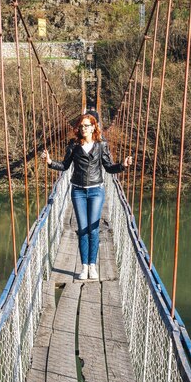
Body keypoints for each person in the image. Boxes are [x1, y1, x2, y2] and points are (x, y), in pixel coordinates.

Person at [41, 114, 132, 280]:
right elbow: (65, 165)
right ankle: (84, 267)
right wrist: (49, 162)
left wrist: (122, 166)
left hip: (96, 191)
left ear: (93, 127)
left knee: (94, 229)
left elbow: (109, 167)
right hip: (78, 191)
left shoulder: (101, 145)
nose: (84, 128)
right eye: (81, 126)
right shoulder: (74, 145)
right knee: (83, 229)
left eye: (87, 125)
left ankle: (93, 265)